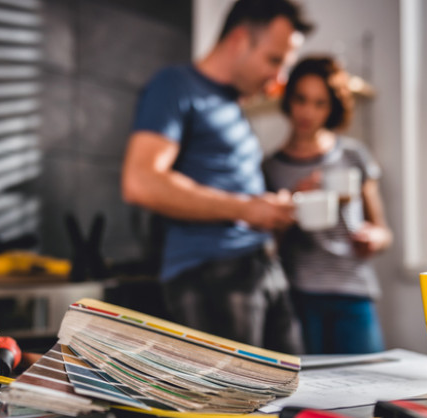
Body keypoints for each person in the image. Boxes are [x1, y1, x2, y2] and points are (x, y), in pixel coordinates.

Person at [120, 0, 314, 354]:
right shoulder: (174, 86)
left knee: (293, 391)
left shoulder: (231, 105)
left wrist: (271, 209)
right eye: (274, 60)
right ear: (239, 39)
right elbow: (141, 181)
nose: (279, 79)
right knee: (240, 405)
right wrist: (245, 209)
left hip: (261, 266)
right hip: (212, 274)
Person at [262, 56, 393, 354]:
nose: (308, 112)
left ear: (332, 107)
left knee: (366, 391)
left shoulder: (354, 156)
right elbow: (269, 246)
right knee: (308, 394)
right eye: (301, 99)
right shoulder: (272, 167)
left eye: (320, 103)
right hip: (300, 297)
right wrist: (294, 200)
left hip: (354, 292)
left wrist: (374, 238)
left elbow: (384, 231)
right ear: (288, 100)